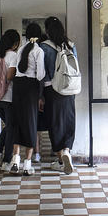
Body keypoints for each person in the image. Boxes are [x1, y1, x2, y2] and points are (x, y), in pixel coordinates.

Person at [41, 17, 78, 175]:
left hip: (52, 90)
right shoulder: (70, 44)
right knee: (69, 122)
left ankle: (61, 160)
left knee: (55, 124)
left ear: (47, 30)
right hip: (69, 89)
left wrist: (41, 96)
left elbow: (42, 74)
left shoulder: (44, 47)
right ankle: (67, 152)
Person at [8, 23, 45, 176]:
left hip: (17, 86)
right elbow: (40, 74)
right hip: (31, 87)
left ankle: (15, 160)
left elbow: (15, 69)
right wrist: (41, 94)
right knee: (30, 123)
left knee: (17, 122)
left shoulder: (21, 49)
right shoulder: (38, 51)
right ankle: (27, 165)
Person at [0, 29, 19, 170]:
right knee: (12, 128)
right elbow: (10, 76)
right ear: (15, 43)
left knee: (9, 126)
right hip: (8, 97)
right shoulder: (13, 55)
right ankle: (6, 161)